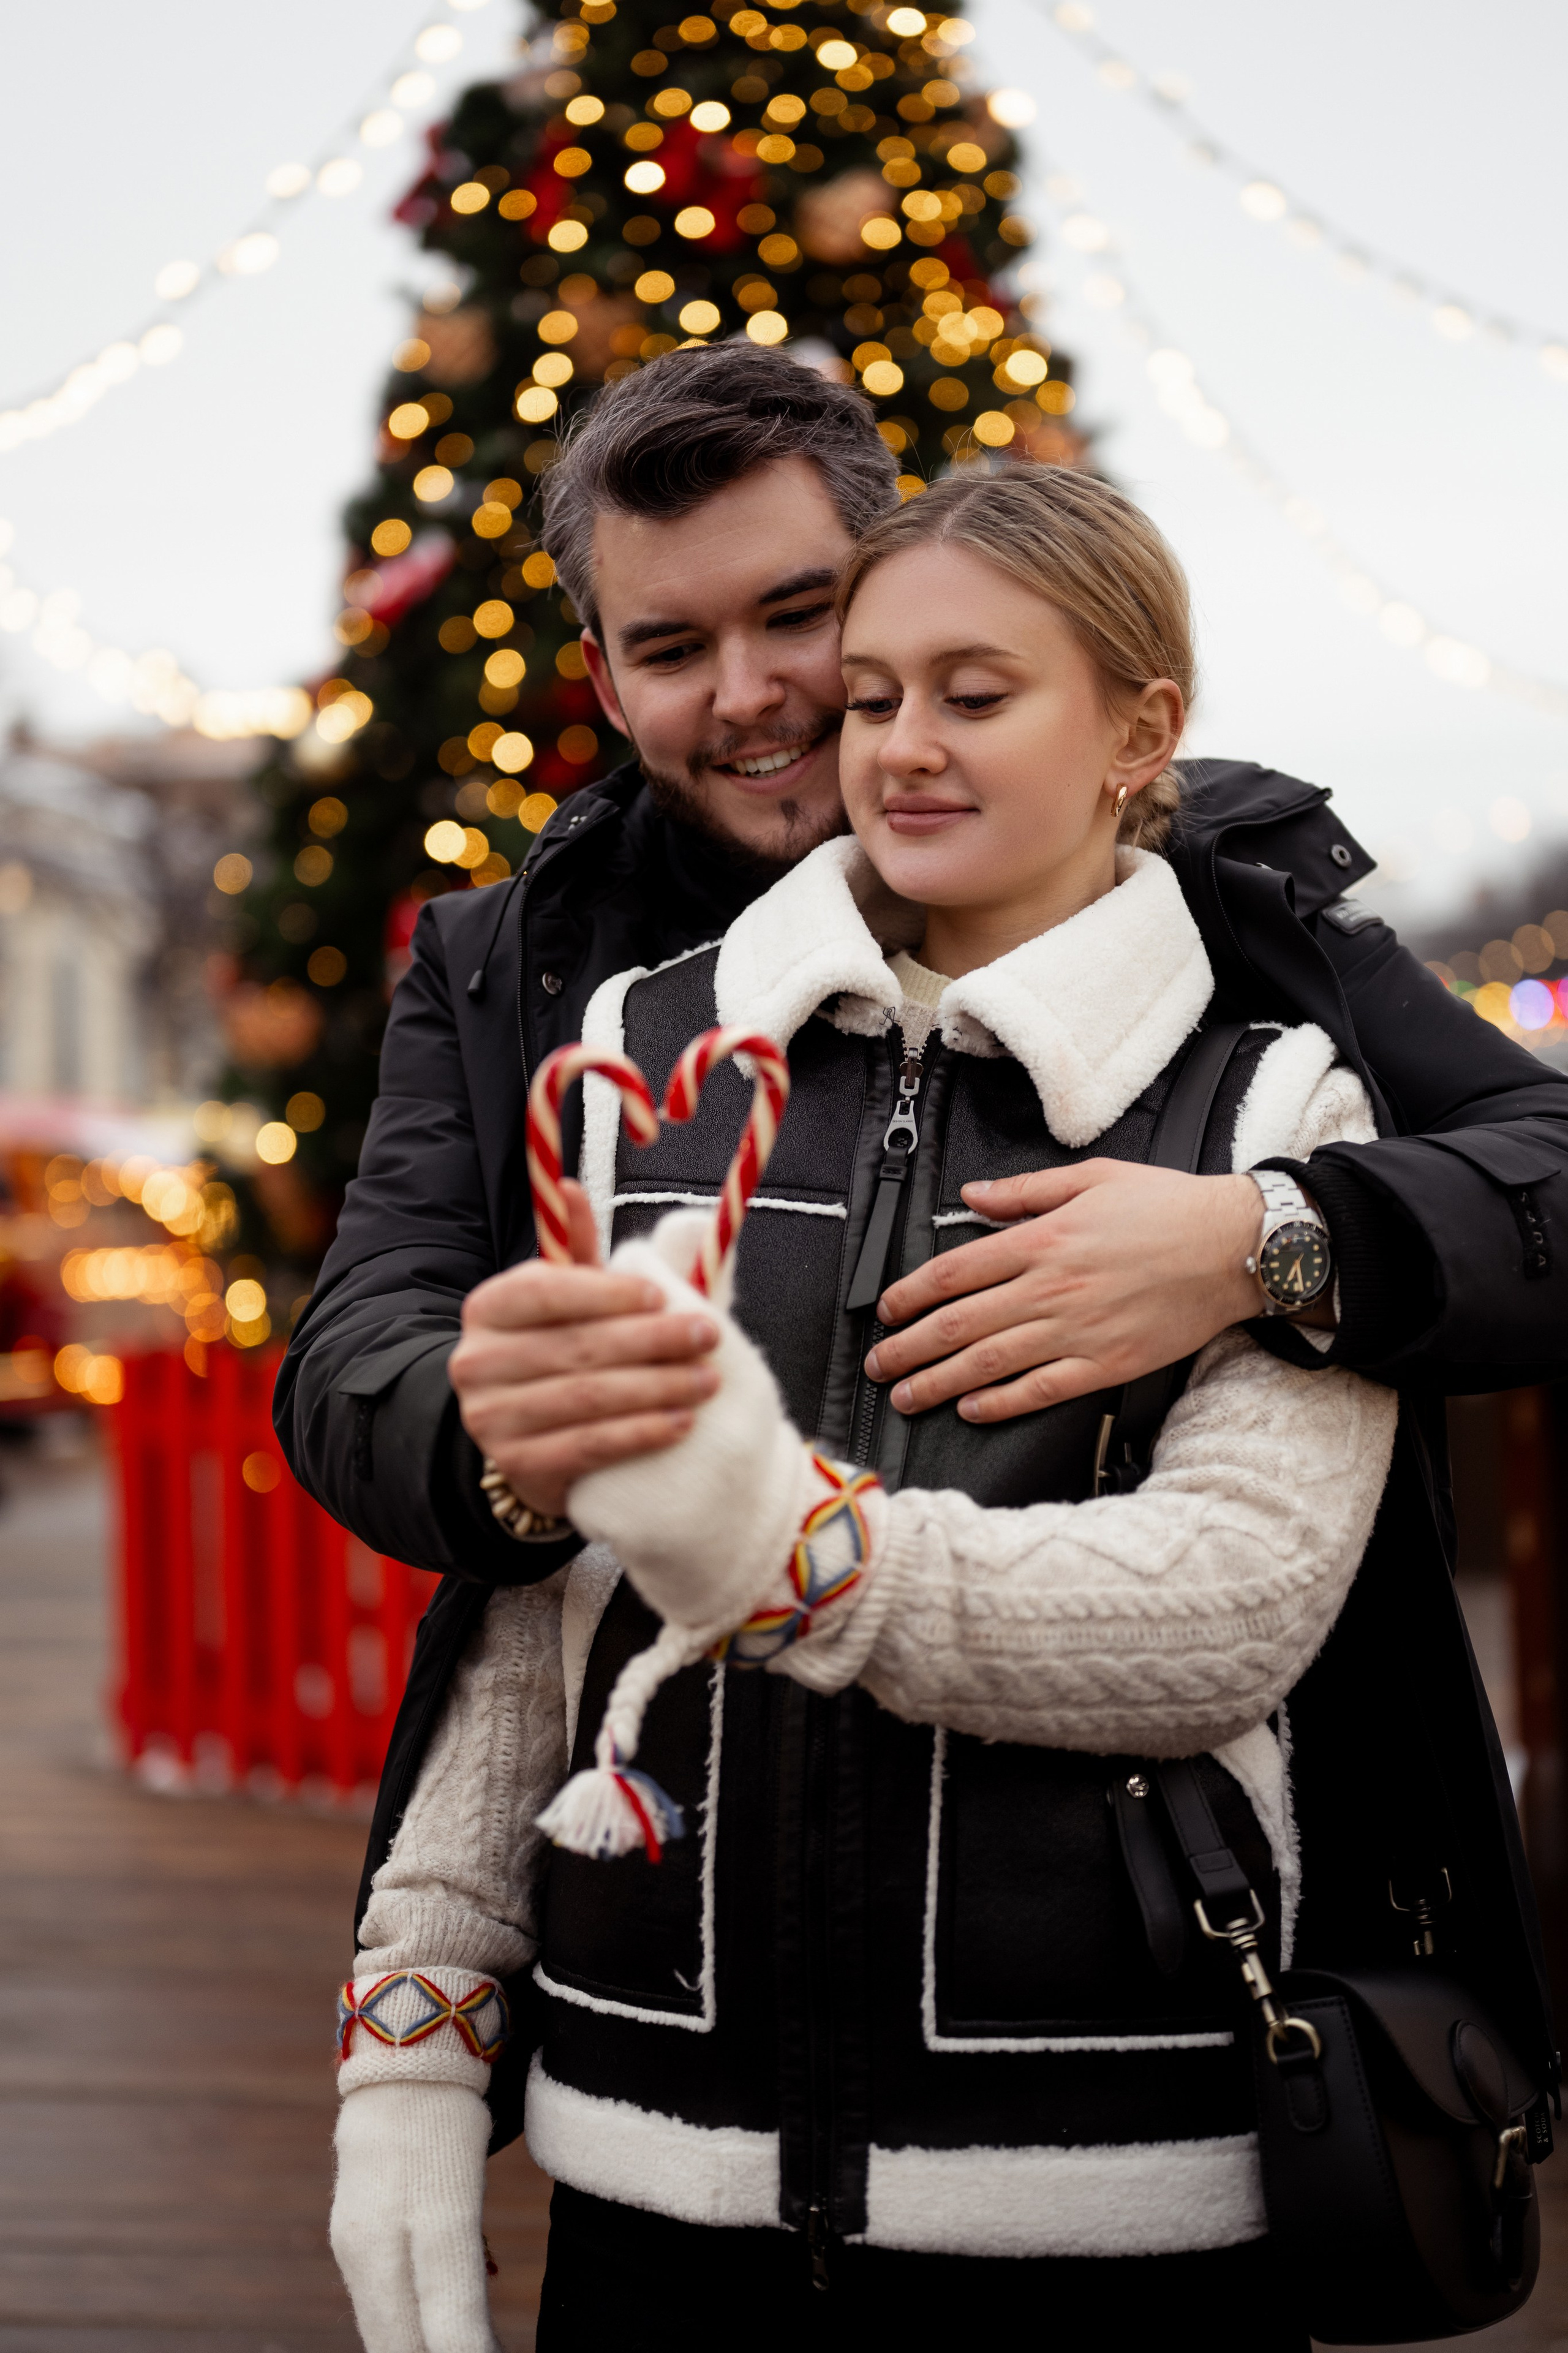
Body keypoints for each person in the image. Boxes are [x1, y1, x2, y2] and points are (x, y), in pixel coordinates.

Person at [325, 468, 1549, 2351]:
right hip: (654, 2169)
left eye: (975, 696)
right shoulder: (645, 1059)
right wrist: (413, 2040)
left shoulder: (1272, 1102)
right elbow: (543, 1611)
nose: (890, 744)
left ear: (1142, 726)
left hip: (1112, 2186)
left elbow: (1224, 1612)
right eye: (878, 694)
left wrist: (797, 1553)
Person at [276, 351, 1568, 1890]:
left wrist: (1265, 1237)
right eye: (674, 646)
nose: (751, 695)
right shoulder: (523, 968)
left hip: (1143, 1951)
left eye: (795, 616)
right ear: (609, 682)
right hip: (681, 1941)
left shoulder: (1218, 902)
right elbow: (360, 1343)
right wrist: (521, 1440)